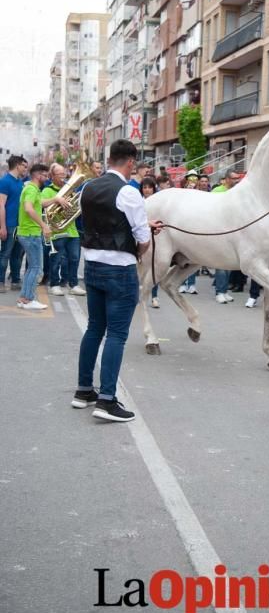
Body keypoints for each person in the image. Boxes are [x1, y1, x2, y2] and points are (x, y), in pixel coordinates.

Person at [72, 139, 162, 422]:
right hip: (120, 269)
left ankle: (84, 390)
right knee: (117, 335)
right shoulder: (129, 192)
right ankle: (107, 400)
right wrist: (140, 243)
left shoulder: (88, 187)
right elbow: (143, 241)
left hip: (93, 266)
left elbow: (102, 221)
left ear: (109, 159)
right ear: (131, 161)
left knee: (95, 328)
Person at [16, 164, 69, 310]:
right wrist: (43, 225)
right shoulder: (32, 189)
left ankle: (24, 299)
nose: (47, 178)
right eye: (45, 175)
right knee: (36, 268)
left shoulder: (32, 189)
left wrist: (56, 199)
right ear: (38, 175)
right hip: (30, 233)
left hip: (28, 233)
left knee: (32, 268)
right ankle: (28, 299)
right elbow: (28, 208)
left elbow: (40, 203)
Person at [41, 163, 86, 297]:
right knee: (56, 259)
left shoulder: (71, 190)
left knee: (74, 258)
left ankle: (73, 285)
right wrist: (56, 199)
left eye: (64, 174)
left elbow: (76, 207)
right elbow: (40, 203)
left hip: (72, 230)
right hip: (57, 231)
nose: (63, 176)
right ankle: (54, 284)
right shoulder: (47, 190)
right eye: (60, 174)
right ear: (52, 176)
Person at [212, 169, 241, 303]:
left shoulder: (239, 193)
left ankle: (225, 290)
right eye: (234, 178)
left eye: (238, 178)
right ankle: (219, 291)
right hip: (219, 231)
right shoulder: (217, 191)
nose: (237, 180)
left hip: (233, 232)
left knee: (229, 264)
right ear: (227, 179)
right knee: (220, 264)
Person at [0, 154, 28, 292]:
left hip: (20, 224)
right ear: (18, 165)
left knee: (17, 255)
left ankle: (15, 281)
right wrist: (3, 226)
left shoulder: (20, 182)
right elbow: (1, 205)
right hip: (9, 225)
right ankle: (0, 282)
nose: (25, 169)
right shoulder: (5, 181)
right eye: (24, 166)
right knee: (5, 254)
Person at [139, 176, 160, 308]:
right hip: (141, 238)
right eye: (144, 187)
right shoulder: (139, 202)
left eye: (149, 187)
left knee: (154, 266)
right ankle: (139, 295)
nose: (147, 190)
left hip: (156, 237)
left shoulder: (159, 202)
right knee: (140, 268)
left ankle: (154, 296)